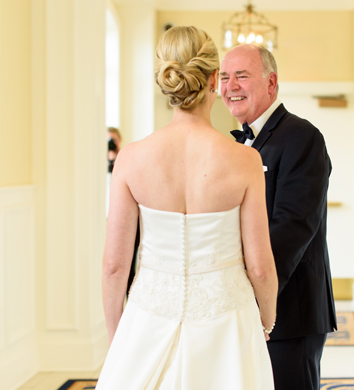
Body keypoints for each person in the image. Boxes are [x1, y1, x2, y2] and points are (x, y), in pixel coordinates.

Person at [98, 26, 277, 390]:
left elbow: (115, 266)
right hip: (228, 319)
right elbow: (259, 267)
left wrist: (120, 336)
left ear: (165, 82)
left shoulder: (131, 159)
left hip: (149, 315)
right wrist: (267, 321)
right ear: (215, 79)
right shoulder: (244, 161)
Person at [220, 43, 336, 390]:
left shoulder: (302, 137)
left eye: (242, 76)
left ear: (271, 83)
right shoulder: (237, 146)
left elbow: (291, 227)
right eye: (225, 78)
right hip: (247, 308)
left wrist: (254, 295)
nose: (230, 86)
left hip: (290, 314)